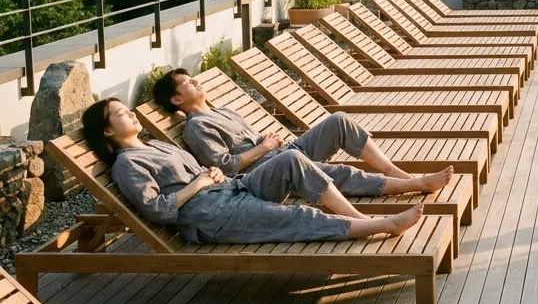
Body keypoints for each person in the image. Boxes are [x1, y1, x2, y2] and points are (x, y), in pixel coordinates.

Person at [83, 98, 424, 243]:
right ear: (108, 132)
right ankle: (379, 226)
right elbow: (157, 210)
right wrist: (200, 183)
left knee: (292, 160)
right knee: (297, 218)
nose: (130, 114)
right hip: (211, 216)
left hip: (233, 188)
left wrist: (211, 176)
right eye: (121, 114)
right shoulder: (127, 166)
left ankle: (361, 218)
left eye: (128, 109)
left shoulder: (157, 146)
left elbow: (208, 170)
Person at [152, 68, 452, 196]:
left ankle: (396, 172)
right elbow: (225, 167)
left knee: (339, 120)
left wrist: (270, 144)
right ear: (177, 99)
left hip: (280, 152)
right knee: (331, 172)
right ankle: (413, 186)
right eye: (188, 83)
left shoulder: (221, 111)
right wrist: (265, 147)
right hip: (262, 172)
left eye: (194, 79)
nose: (196, 83)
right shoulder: (196, 127)